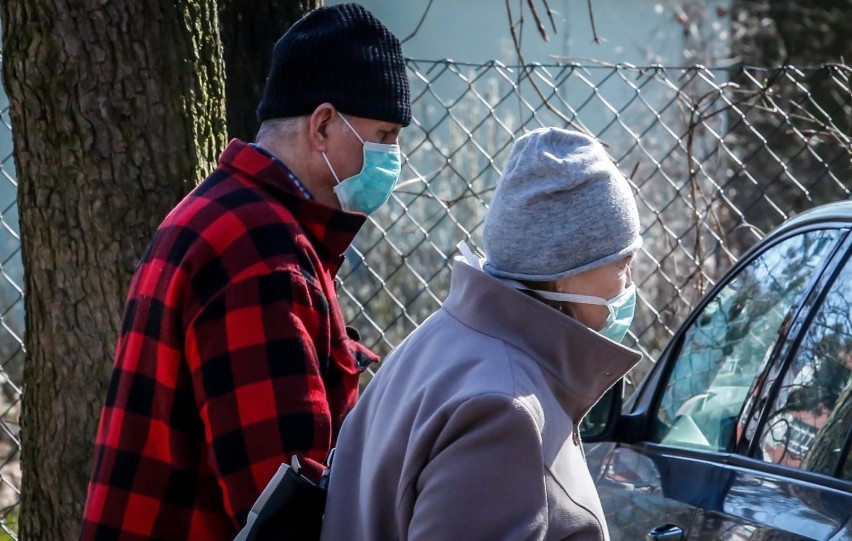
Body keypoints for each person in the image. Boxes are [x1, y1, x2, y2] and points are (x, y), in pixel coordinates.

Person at [79, 4, 410, 540]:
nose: (394, 156)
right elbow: (282, 506)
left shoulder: (219, 213)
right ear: (323, 125)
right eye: (385, 134)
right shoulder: (262, 254)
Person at [320, 127, 644, 541]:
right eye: (622, 264)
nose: (629, 282)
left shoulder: (442, 339)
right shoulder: (505, 411)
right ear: (565, 273)